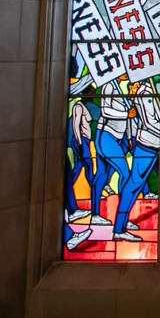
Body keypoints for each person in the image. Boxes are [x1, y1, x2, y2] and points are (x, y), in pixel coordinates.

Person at [88, 75, 141, 240]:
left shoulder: (121, 89)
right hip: (106, 137)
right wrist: (126, 114)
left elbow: (129, 118)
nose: (128, 74)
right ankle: (121, 221)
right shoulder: (109, 86)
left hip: (116, 139)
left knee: (102, 175)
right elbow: (106, 110)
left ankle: (96, 214)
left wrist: (130, 137)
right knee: (125, 174)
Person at [109, 78, 160, 243]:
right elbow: (150, 122)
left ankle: (120, 226)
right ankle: (119, 228)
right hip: (149, 144)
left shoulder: (149, 89)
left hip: (153, 143)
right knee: (133, 185)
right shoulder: (145, 93)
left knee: (135, 185)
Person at [64, 94, 95, 223]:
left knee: (77, 168)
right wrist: (80, 143)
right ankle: (94, 192)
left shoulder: (82, 106)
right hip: (81, 141)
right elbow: (75, 126)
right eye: (91, 93)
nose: (93, 96)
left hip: (84, 141)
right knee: (88, 167)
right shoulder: (78, 107)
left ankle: (69, 194)